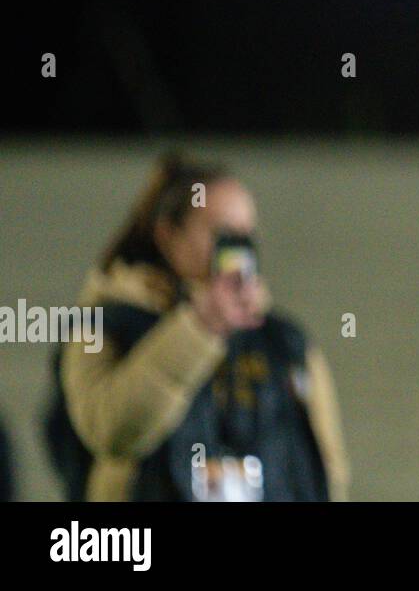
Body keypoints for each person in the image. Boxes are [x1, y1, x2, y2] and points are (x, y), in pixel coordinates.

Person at [45, 152, 349, 501]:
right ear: (168, 235)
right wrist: (199, 328)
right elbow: (112, 430)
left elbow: (327, 465)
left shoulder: (282, 339)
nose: (238, 251)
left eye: (247, 235)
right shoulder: (106, 323)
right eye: (223, 235)